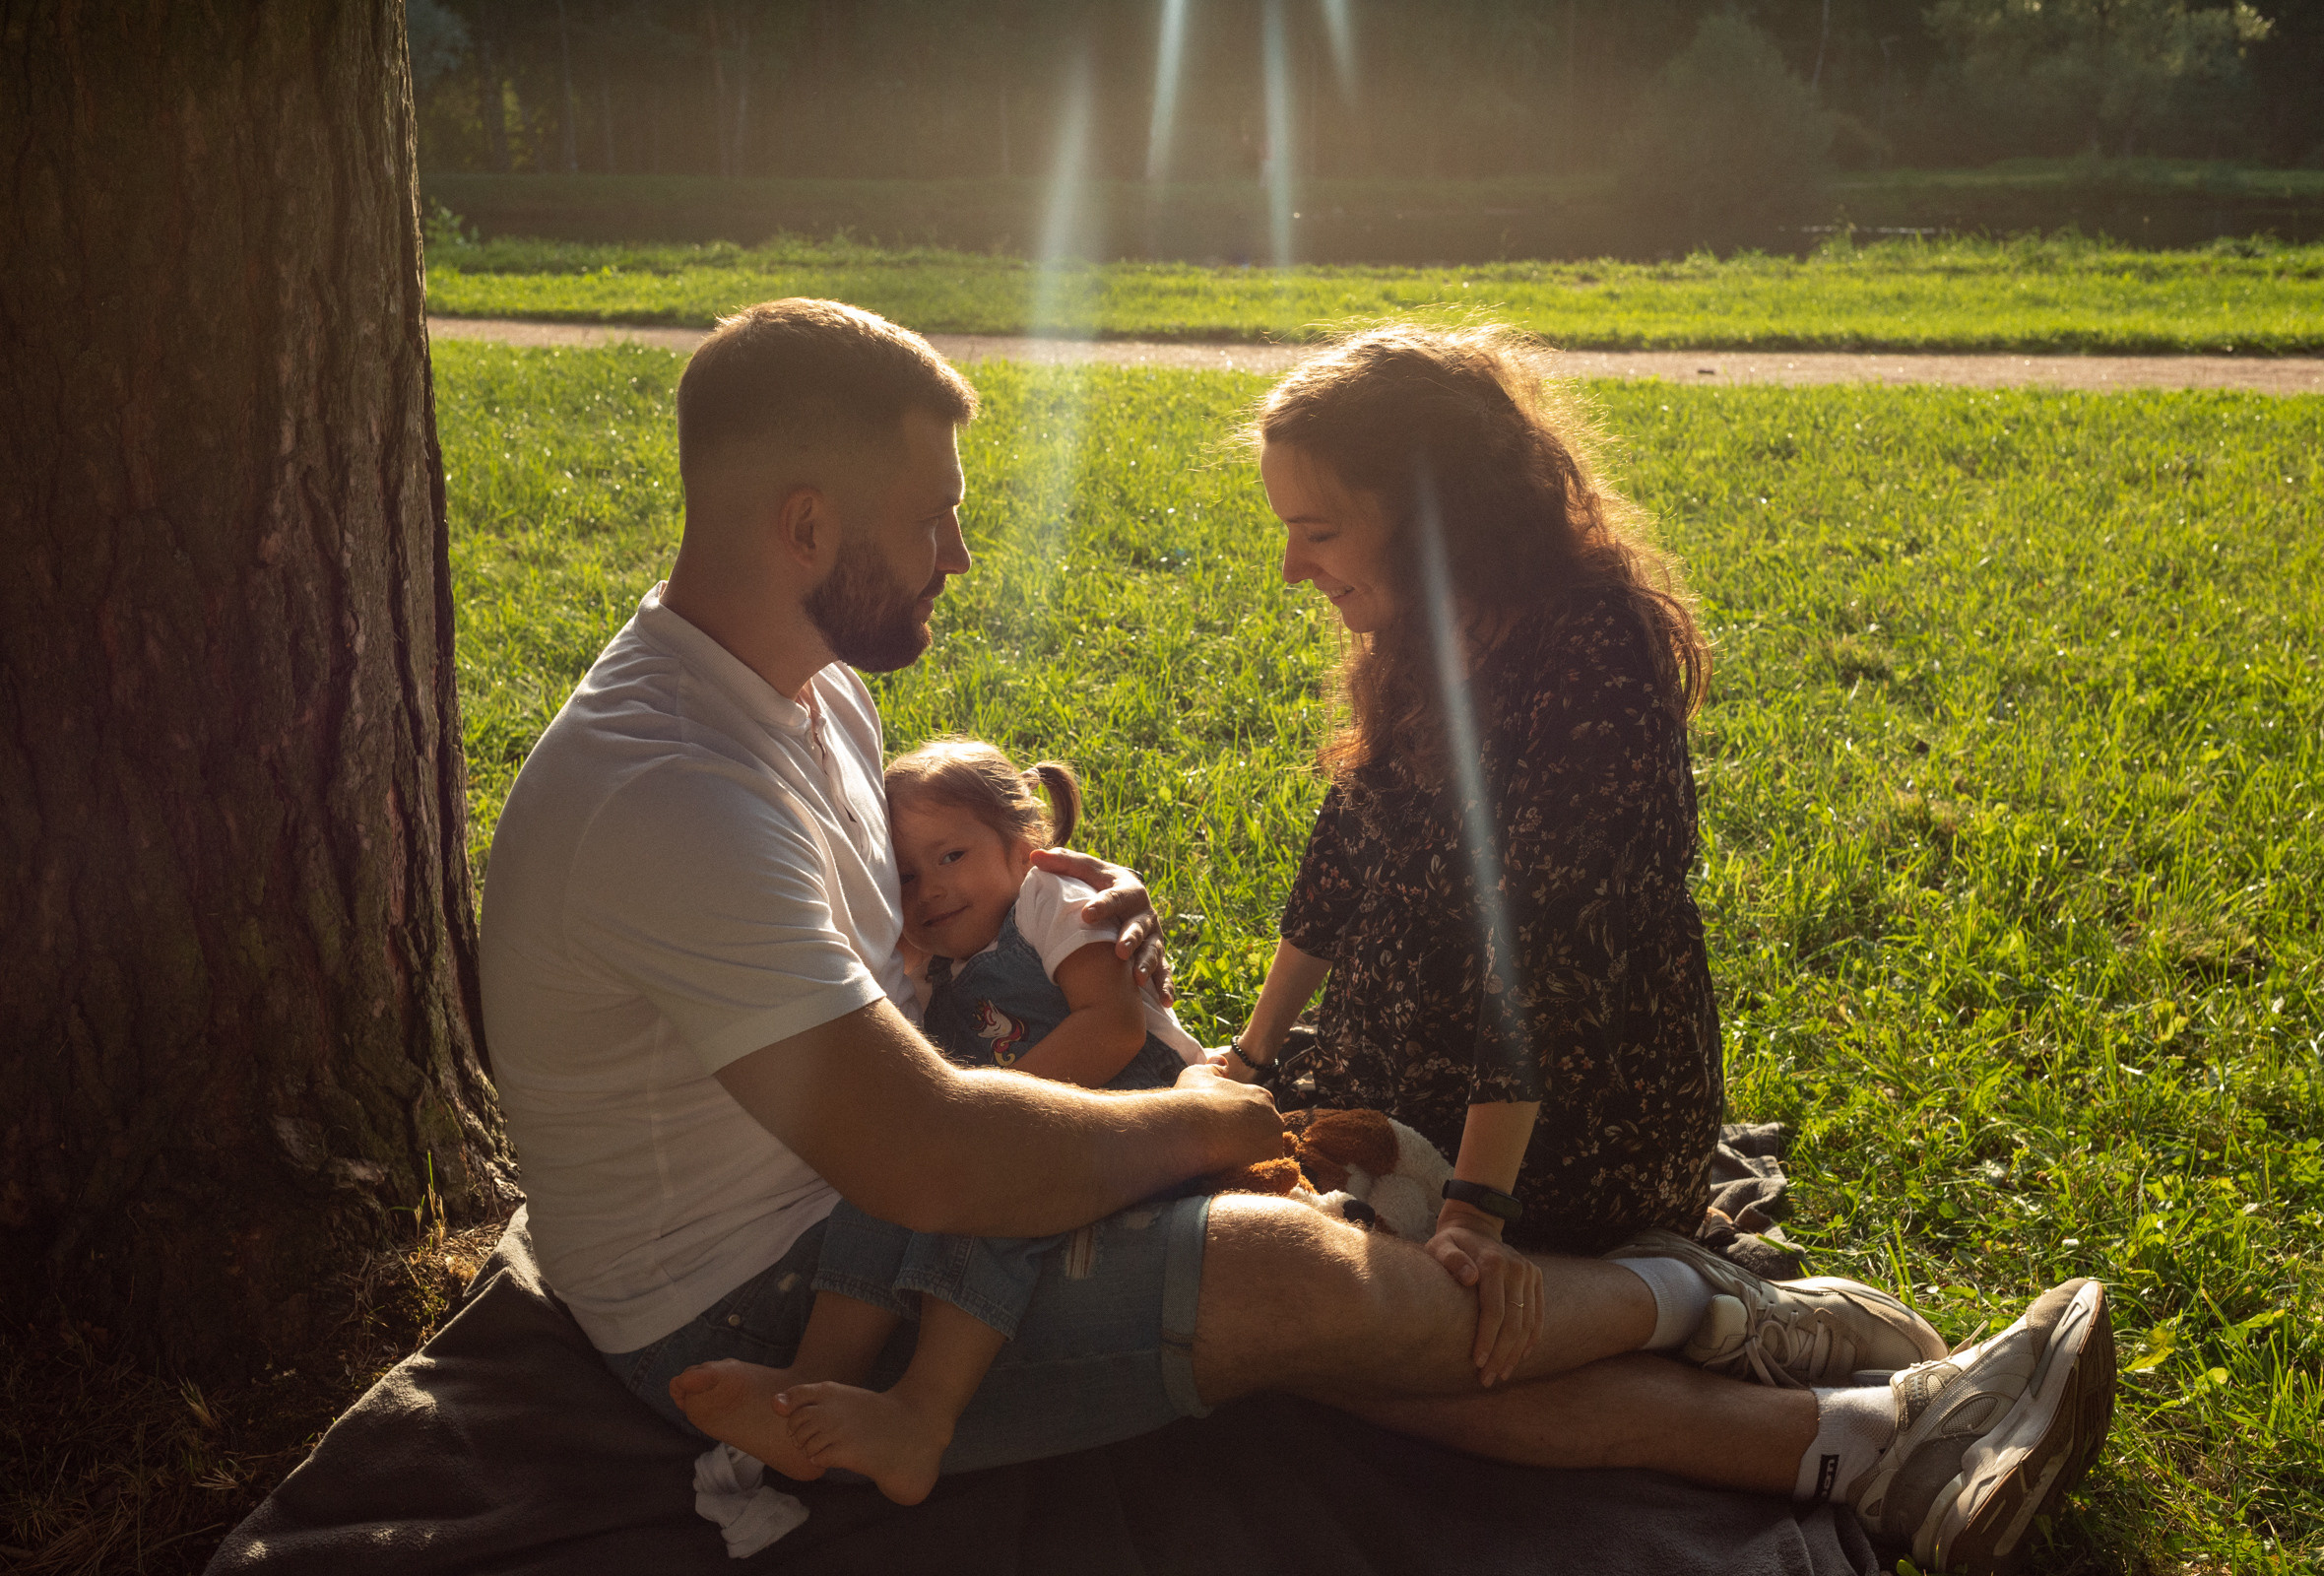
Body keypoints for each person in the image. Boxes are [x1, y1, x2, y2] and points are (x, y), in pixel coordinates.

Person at [476, 296, 2114, 1576]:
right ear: (807, 527)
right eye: (933, 522)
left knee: (1289, 1245)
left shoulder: (797, 685)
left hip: (857, 1187)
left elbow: (860, 951)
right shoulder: (667, 794)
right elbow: (936, 1160)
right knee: (1296, 1269)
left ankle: (1840, 1438)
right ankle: (1795, 1374)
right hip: (756, 1313)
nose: (960, 558)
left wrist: (1034, 889)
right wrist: (1200, 1119)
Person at [1218, 321, 1723, 1339]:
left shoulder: (1595, 651)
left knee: (1390, 1316)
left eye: (1319, 532)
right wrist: (1251, 1057)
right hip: (1406, 1086)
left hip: (1564, 1123)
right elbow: (1344, 851)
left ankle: (1695, 1305)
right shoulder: (1417, 622)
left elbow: (1551, 954)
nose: (1291, 568)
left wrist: (1475, 1212)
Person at [767, 738, 1208, 1505]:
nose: (930, 889)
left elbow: (1113, 1029)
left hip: (1140, 1118)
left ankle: (922, 1414)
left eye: (951, 856)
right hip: (1032, 1126)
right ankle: (807, 1386)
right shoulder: (935, 967)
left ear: (1025, 844)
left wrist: (986, 1126)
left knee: (993, 1206)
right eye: (905, 877)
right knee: (881, 1186)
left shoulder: (1052, 900)